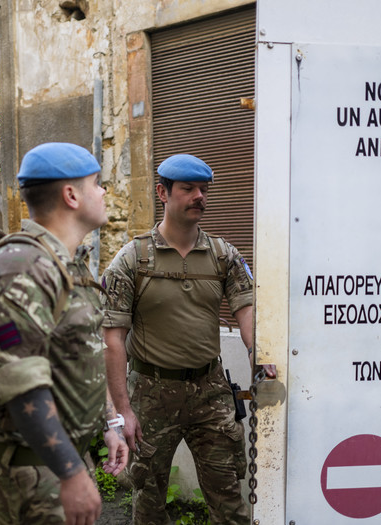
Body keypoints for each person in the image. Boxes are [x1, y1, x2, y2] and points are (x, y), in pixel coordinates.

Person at [102, 153, 271, 524]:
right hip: (150, 393)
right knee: (148, 502)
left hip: (210, 391)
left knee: (229, 502)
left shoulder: (223, 254)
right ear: (163, 192)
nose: (199, 196)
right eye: (188, 189)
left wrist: (260, 356)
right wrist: (121, 411)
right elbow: (113, 341)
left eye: (203, 189)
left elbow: (247, 313)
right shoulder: (132, 260)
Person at [0, 142, 128, 525]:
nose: (104, 192)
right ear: (71, 195)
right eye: (96, 183)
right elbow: (20, 384)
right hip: (27, 476)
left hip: (59, 460)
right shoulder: (19, 268)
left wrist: (110, 424)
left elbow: (82, 353)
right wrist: (71, 473)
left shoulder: (64, 265)